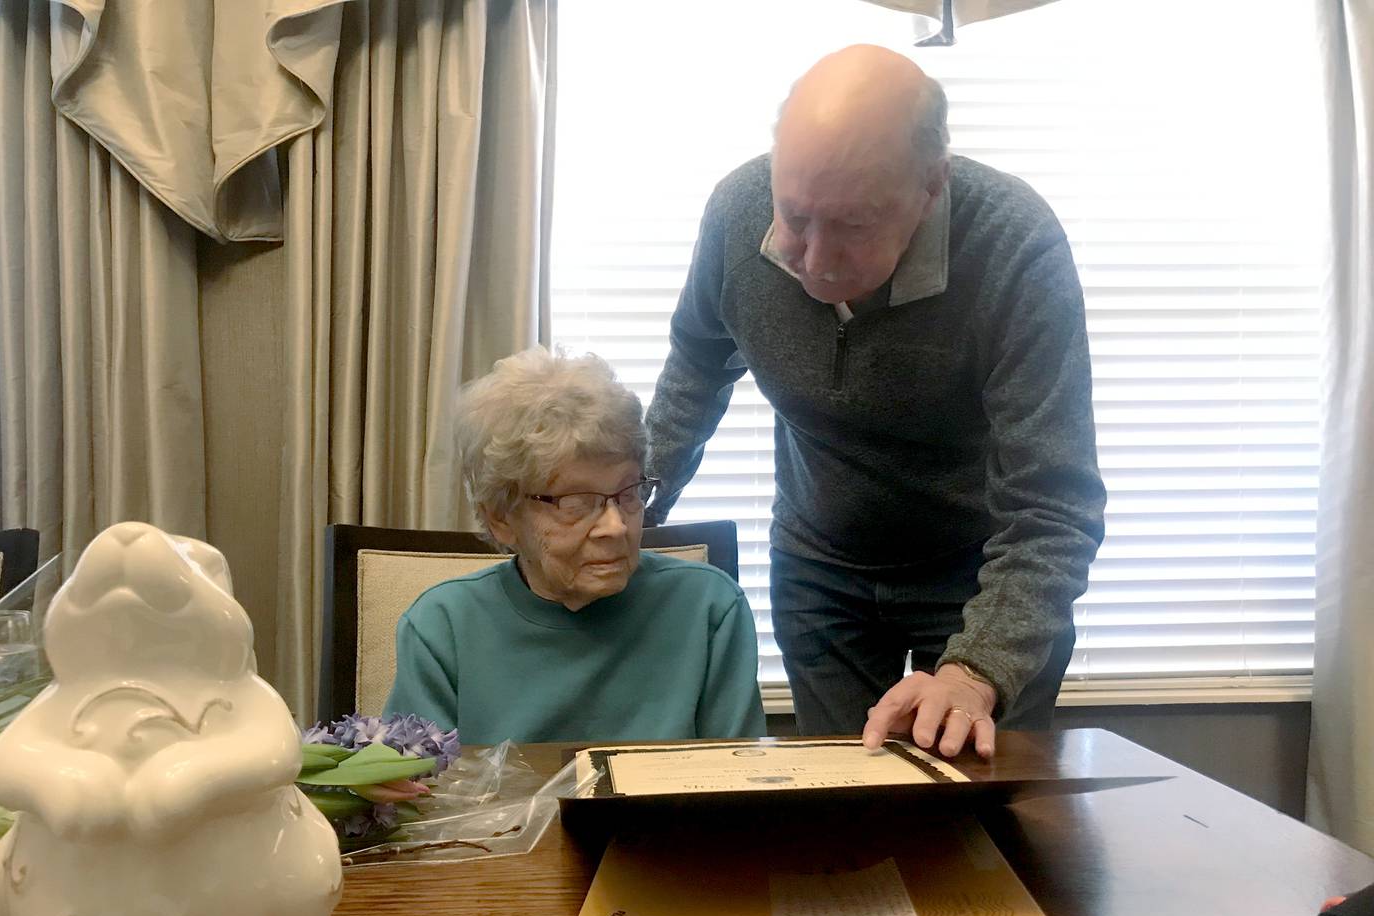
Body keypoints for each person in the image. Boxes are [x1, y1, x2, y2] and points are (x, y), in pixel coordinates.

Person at [644, 45, 1105, 760]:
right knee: (847, 803)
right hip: (821, 561)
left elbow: (1054, 505)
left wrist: (976, 669)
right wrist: (627, 510)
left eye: (854, 226)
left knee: (977, 816)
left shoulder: (1017, 247)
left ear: (932, 187)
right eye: (795, 216)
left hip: (981, 567)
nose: (816, 259)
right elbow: (695, 369)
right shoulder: (736, 214)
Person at [384, 346, 766, 744]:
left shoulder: (709, 608)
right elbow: (421, 794)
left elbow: (738, 788)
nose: (615, 527)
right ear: (501, 517)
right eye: (577, 503)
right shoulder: (442, 627)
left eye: (629, 493)